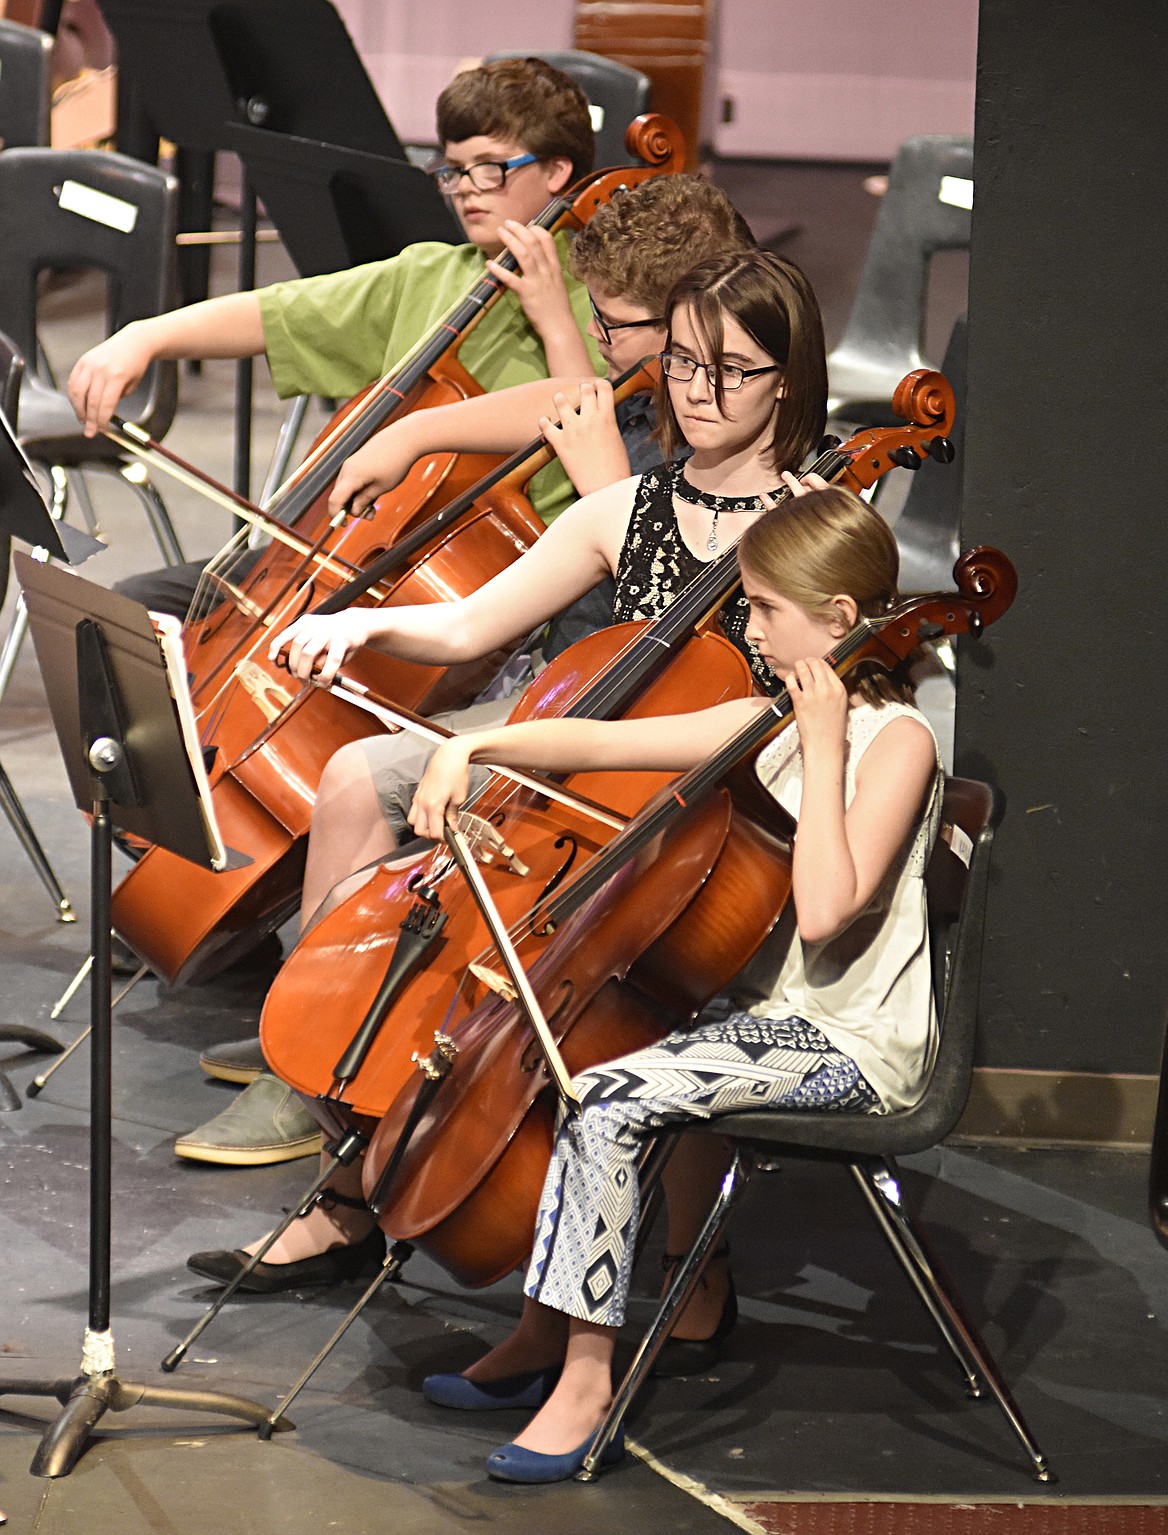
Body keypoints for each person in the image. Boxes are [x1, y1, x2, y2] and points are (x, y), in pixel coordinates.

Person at [183, 248, 832, 1341]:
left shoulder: (813, 525)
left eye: (731, 369)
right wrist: (365, 623)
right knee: (415, 928)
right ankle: (350, 1180)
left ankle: (689, 1262)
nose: (697, 390)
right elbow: (470, 624)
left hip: (734, 828)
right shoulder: (634, 506)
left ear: (789, 381)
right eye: (679, 362)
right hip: (592, 807)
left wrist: (519, 741)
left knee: (644, 983)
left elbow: (770, 719)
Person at [405, 483, 943, 1483]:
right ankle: (538, 1329)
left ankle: (584, 1378)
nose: (749, 624)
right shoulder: (766, 715)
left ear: (838, 619)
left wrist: (823, 744)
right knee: (593, 1060)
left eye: (767, 608)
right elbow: (603, 741)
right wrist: (474, 745)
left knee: (610, 1098)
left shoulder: (897, 743)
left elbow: (825, 908)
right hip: (765, 1021)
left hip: (852, 1042)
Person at [65, 55, 604, 621]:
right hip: (366, 553)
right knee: (133, 609)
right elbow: (278, 314)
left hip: (490, 579)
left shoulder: (606, 296)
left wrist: (553, 322)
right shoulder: (430, 273)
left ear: (557, 171)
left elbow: (591, 419)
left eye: (490, 169)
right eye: (452, 170)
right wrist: (145, 336)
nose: (466, 190)